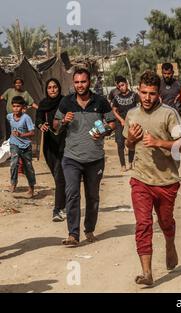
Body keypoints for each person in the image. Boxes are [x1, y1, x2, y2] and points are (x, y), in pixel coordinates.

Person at [123, 71, 181, 286]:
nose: (147, 98)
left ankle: (170, 242)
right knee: (143, 224)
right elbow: (128, 145)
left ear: (158, 93)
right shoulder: (132, 114)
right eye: (143, 93)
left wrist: (159, 142)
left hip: (166, 181)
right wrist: (130, 140)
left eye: (151, 93)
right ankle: (147, 272)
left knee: (165, 222)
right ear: (137, 90)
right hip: (140, 179)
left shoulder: (170, 114)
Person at [54, 68, 116, 246]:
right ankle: (73, 234)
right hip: (71, 158)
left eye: (83, 82)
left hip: (95, 159)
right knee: (72, 194)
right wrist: (63, 121)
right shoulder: (66, 102)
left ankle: (89, 229)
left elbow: (112, 123)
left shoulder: (100, 101)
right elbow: (55, 125)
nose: (80, 85)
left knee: (92, 196)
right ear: (73, 83)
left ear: (89, 82)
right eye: (77, 82)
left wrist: (103, 131)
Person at [36, 79, 67, 222]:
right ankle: (65, 204)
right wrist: (41, 125)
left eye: (55, 87)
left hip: (64, 144)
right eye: (49, 87)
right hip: (49, 146)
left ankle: (57, 209)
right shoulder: (43, 104)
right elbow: (38, 119)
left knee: (60, 176)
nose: (52, 90)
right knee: (58, 178)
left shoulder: (66, 102)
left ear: (59, 88)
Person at [7, 96, 36, 198]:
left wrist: (21, 135)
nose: (15, 108)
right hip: (14, 144)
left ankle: (31, 188)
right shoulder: (10, 116)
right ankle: (13, 183)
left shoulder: (26, 118)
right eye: (14, 106)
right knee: (14, 162)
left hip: (26, 146)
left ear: (22, 107)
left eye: (18, 106)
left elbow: (32, 133)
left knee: (28, 167)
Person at [111, 76, 139, 172]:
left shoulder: (134, 95)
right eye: (119, 86)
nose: (121, 87)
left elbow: (139, 107)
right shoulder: (117, 98)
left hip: (132, 123)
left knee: (131, 142)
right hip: (120, 123)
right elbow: (114, 110)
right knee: (120, 144)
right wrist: (121, 120)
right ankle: (123, 165)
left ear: (126, 84)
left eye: (122, 85)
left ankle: (131, 162)